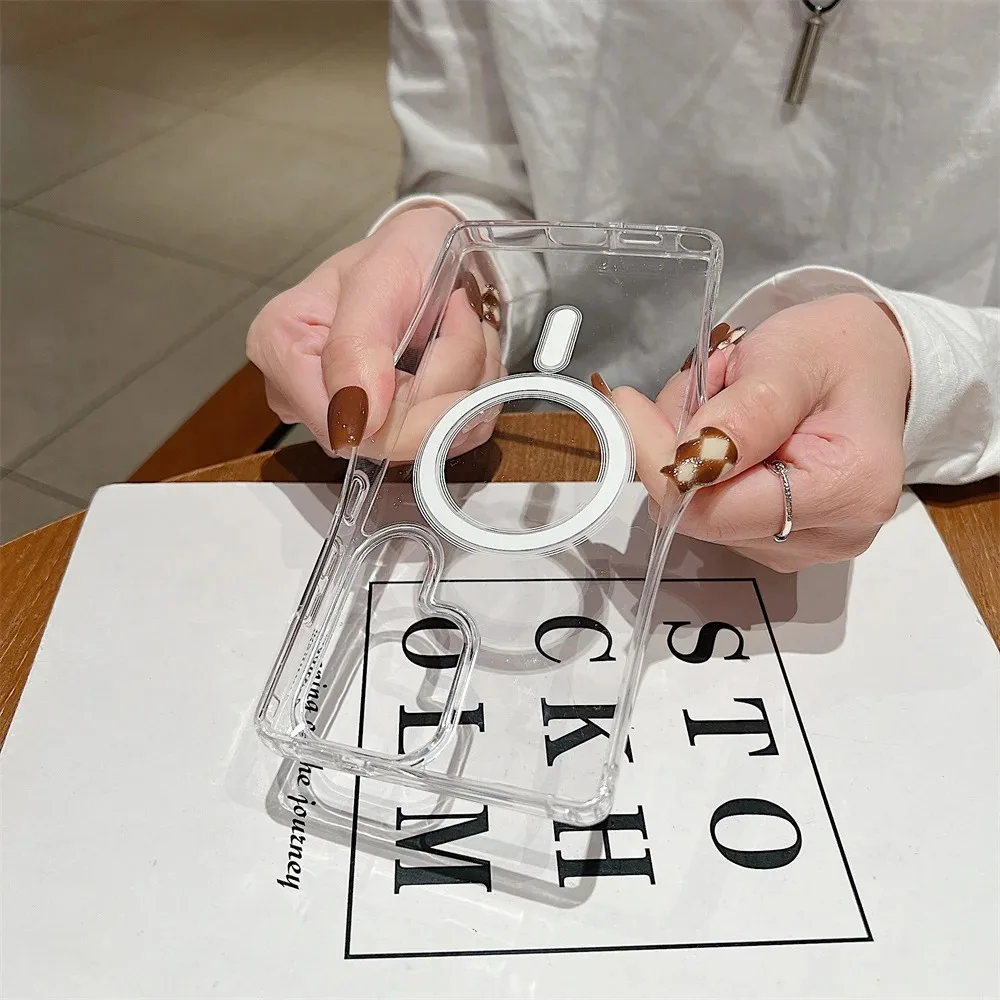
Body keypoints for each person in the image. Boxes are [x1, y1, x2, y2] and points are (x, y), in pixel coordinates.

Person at [247, 0, 999, 572]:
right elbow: (479, 165)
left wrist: (924, 365)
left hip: (939, 510)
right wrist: (457, 266)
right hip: (540, 446)